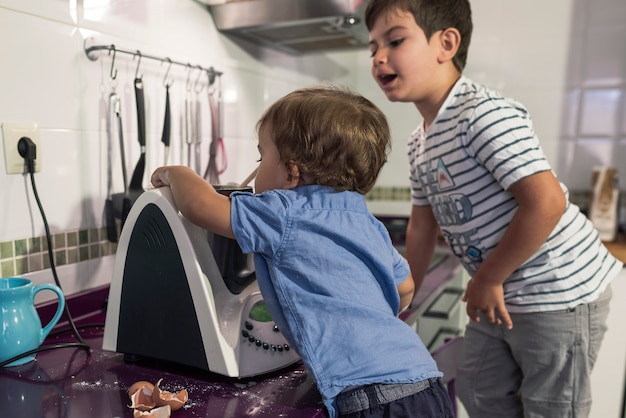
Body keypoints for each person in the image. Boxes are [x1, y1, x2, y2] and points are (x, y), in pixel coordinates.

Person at [365, 0, 623, 417]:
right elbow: (421, 226)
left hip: (557, 292)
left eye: (394, 41)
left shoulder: (480, 114)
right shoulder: (419, 141)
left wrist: (488, 277)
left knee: (552, 408)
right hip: (499, 291)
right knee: (479, 390)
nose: (378, 57)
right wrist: (404, 294)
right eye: (372, 46)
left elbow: (547, 202)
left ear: (446, 43)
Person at [151, 86, 454, 418]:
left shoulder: (281, 211)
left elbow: (200, 206)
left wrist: (176, 173)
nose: (258, 166)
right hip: (422, 377)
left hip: (369, 396)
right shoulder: (364, 219)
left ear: (291, 173)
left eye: (261, 156)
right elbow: (405, 287)